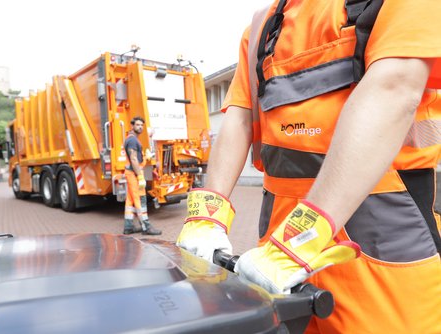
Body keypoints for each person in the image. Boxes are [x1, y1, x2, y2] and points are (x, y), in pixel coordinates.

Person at [177, 1, 441, 333]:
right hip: (279, 249)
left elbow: (395, 87)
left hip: (377, 240)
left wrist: (297, 239)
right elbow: (240, 118)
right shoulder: (262, 27)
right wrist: (207, 214)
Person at [123, 116, 162, 236]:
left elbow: (135, 159)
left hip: (131, 173)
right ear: (132, 126)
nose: (140, 127)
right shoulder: (133, 140)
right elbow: (134, 159)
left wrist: (145, 157)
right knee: (140, 200)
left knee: (130, 201)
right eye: (137, 125)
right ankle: (146, 227)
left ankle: (128, 227)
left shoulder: (131, 139)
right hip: (134, 175)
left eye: (141, 125)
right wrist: (140, 176)